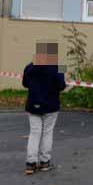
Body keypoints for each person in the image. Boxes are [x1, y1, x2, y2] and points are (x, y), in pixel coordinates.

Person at [22, 41, 67, 175]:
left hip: (33, 104)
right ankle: (45, 162)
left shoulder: (29, 67)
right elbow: (62, 86)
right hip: (51, 105)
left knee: (34, 133)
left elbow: (25, 84)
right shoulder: (59, 67)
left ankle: (30, 163)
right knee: (47, 133)